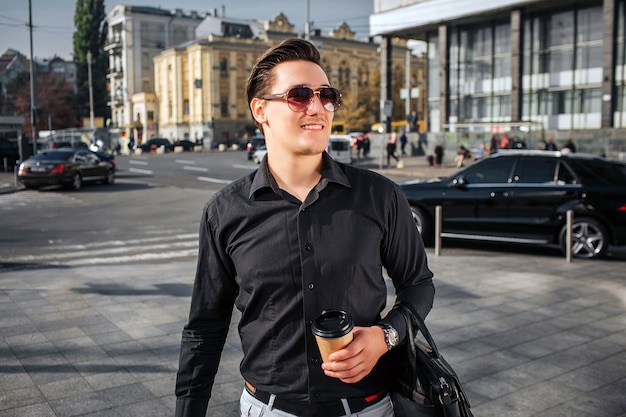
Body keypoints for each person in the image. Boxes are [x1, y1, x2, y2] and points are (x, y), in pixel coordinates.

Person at [174, 38, 435, 417]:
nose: (317, 107)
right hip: (269, 409)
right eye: (298, 95)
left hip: (367, 408)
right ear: (260, 110)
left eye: (326, 95)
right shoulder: (225, 212)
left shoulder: (380, 196)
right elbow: (205, 327)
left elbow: (418, 285)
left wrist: (385, 336)